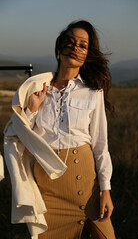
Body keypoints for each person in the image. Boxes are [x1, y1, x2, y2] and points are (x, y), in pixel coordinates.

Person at [4, 20, 116, 239]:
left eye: (83, 45)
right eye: (70, 42)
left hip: (88, 185)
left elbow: (101, 146)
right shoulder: (36, 90)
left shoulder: (93, 92)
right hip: (50, 189)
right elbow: (19, 136)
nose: (75, 47)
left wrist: (105, 190)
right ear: (59, 49)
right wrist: (32, 110)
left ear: (87, 55)